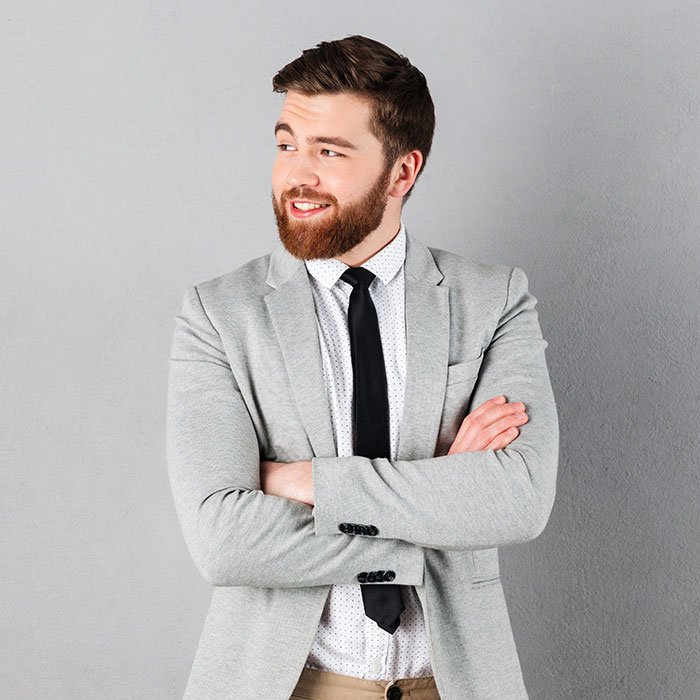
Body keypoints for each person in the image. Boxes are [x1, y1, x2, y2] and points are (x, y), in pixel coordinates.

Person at [167, 35, 558, 700]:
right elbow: (223, 542)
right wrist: (438, 503)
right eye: (287, 144)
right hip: (290, 685)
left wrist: (307, 481)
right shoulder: (218, 314)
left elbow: (517, 500)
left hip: (454, 685)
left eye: (329, 152)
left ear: (402, 173)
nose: (297, 174)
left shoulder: (494, 300)